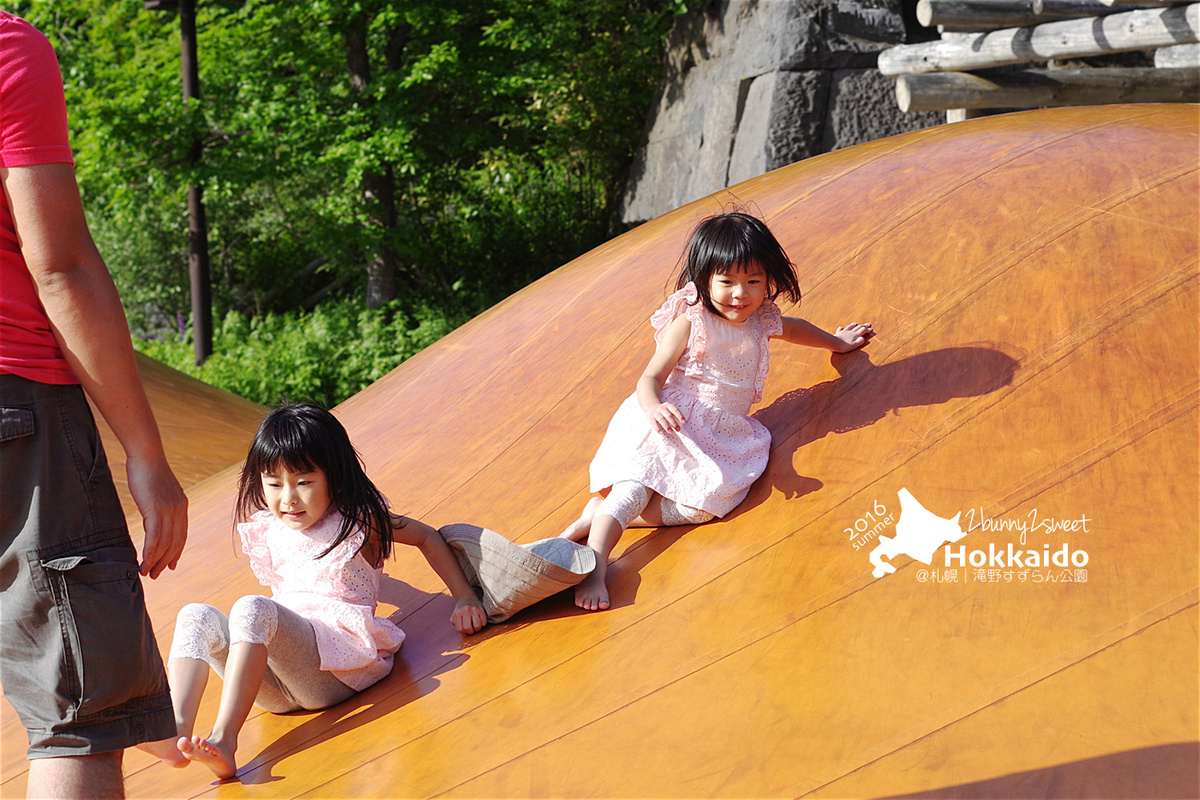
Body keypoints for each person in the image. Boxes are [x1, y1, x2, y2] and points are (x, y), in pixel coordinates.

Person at [0, 11, 190, 800]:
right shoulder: (8, 48)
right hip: (19, 407)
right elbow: (62, 268)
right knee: (78, 712)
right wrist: (145, 451)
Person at [139, 403, 488, 781]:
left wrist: (464, 596)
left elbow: (425, 536)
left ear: (334, 479)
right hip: (284, 684)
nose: (288, 498)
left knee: (252, 607)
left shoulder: (358, 519)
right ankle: (174, 730)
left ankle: (224, 739)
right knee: (196, 615)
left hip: (341, 668)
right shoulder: (270, 528)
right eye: (273, 484)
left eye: (303, 482)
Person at [560, 211, 873, 610]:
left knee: (705, 505)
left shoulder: (762, 320)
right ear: (704, 280)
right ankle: (595, 567)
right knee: (634, 488)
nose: (740, 294)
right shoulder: (692, 323)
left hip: (718, 432)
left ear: (768, 281)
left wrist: (837, 343)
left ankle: (597, 513)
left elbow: (796, 329)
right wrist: (654, 407)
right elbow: (649, 379)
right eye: (726, 282)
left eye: (753, 281)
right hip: (671, 420)